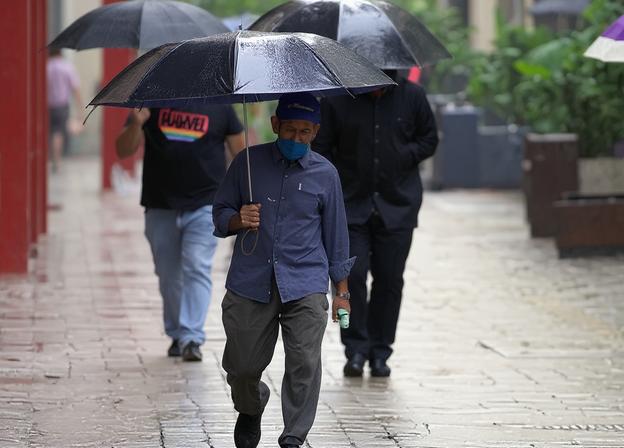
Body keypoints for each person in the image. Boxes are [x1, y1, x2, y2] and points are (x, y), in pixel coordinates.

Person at [212, 93, 354, 448]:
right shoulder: (247, 162)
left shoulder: (326, 175)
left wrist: (342, 293)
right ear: (275, 125)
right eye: (290, 130)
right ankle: (250, 407)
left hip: (304, 281)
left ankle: (293, 436)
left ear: (315, 132)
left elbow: (337, 236)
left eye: (305, 132)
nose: (296, 139)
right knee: (241, 367)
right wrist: (237, 219)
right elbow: (219, 213)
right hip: (250, 281)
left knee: (304, 362)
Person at [313, 71, 439, 377]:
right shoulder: (338, 99)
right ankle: (355, 348)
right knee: (350, 277)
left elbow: (429, 140)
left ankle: (381, 351)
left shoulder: (413, 97)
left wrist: (403, 154)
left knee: (390, 279)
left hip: (397, 207)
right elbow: (321, 147)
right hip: (349, 207)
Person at [115, 105, 245, 361]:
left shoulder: (219, 101)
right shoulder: (152, 97)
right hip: (160, 204)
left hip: (206, 202)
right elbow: (123, 150)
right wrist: (136, 123)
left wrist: (243, 194)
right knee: (168, 273)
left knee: (197, 265)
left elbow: (240, 154)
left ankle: (192, 337)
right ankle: (177, 332)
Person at [47, 48, 82, 172]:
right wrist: (80, 111)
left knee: (50, 132)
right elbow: (75, 88)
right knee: (58, 133)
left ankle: (51, 158)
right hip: (62, 105)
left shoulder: (46, 67)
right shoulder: (67, 67)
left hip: (48, 105)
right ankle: (57, 160)